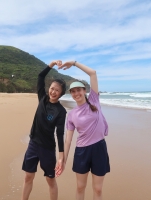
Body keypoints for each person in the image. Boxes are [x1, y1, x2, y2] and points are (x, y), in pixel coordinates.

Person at [56, 61, 110, 200]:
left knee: (98, 189)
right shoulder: (72, 115)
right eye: (73, 91)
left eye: (78, 90)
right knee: (80, 187)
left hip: (99, 148)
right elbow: (68, 141)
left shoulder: (94, 100)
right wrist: (63, 160)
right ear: (71, 94)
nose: (76, 93)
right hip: (82, 152)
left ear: (84, 90)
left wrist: (74, 63)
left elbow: (92, 73)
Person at [21, 60, 66, 200]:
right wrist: (51, 64)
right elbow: (40, 77)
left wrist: (61, 157)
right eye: (52, 88)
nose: (53, 92)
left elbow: (59, 134)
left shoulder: (61, 111)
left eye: (57, 90)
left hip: (47, 148)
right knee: (28, 176)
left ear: (61, 93)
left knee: (50, 180)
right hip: (33, 144)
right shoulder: (42, 98)